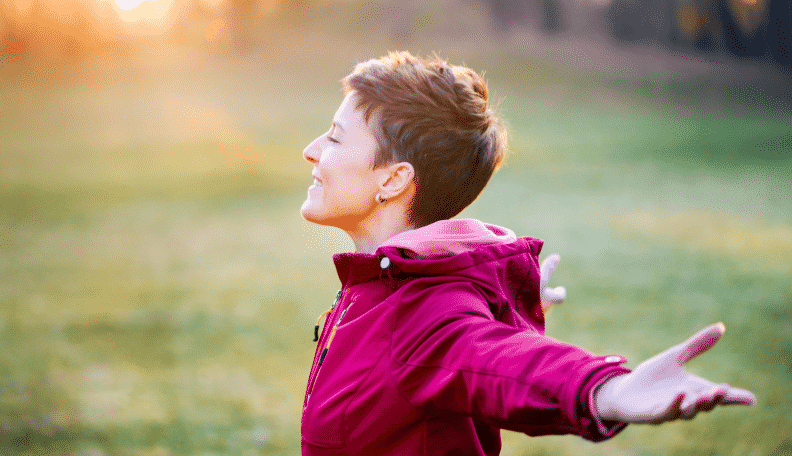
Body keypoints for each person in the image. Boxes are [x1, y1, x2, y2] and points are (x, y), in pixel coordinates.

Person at [298, 51, 755, 455]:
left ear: (394, 180)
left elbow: (504, 364)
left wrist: (609, 390)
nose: (311, 151)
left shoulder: (419, 313)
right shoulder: (387, 282)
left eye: (335, 138)